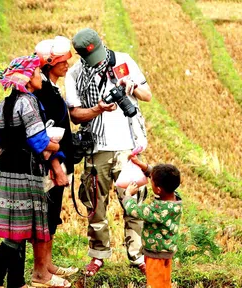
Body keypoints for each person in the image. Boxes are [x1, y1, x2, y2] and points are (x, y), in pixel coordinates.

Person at [65, 27, 152, 276]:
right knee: (95, 207)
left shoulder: (124, 60)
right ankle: (98, 255)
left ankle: (137, 256)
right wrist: (98, 109)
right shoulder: (75, 74)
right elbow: (74, 114)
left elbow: (147, 95)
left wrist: (131, 86)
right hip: (96, 148)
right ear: (81, 55)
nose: (100, 61)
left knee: (132, 203)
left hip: (128, 147)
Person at [0, 55, 68, 288]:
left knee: (18, 229)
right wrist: (57, 146)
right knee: (19, 230)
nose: (40, 76)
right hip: (25, 171)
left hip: (6, 169)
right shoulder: (28, 102)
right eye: (37, 73)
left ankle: (16, 283)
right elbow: (38, 141)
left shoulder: (3, 105)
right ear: (28, 80)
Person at [30, 36, 78, 286]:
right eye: (62, 61)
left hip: (60, 161)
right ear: (49, 64)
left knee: (52, 214)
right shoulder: (45, 92)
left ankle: (47, 264)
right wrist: (56, 166)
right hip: (51, 164)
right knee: (45, 216)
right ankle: (40, 273)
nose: (67, 64)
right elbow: (47, 134)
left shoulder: (52, 88)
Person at [124, 156, 182, 288]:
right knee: (164, 283)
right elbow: (160, 178)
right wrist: (143, 166)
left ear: (159, 189)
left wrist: (128, 195)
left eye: (152, 182)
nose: (151, 183)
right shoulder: (175, 199)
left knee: (155, 284)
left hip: (155, 255)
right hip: (167, 252)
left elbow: (134, 210)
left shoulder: (158, 210)